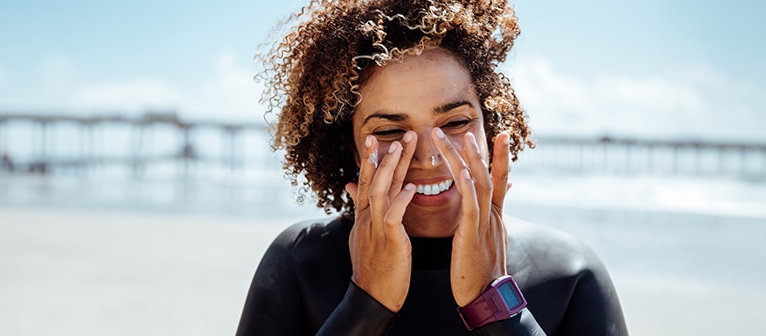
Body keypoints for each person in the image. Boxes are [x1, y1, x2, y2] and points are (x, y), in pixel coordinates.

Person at [237, 0, 626, 335]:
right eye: (391, 130)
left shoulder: (570, 273)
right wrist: (366, 302)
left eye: (455, 123)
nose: (430, 156)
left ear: (490, 126)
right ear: (351, 148)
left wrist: (494, 303)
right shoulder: (300, 264)